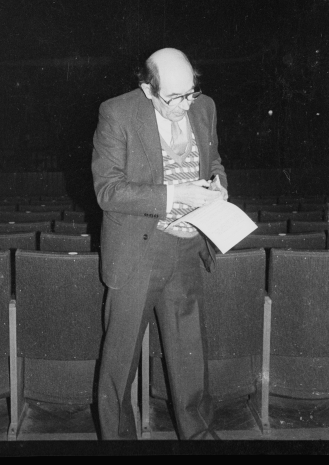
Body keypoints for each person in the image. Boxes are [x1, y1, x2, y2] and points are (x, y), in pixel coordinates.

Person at [91, 47, 228, 440]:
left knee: (191, 360)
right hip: (137, 253)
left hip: (187, 249)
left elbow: (213, 161)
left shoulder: (205, 107)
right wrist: (175, 194)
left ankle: (198, 438)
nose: (185, 105)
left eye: (191, 93)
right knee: (119, 366)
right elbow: (108, 191)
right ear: (148, 89)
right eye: (174, 98)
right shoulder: (117, 113)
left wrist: (219, 186)